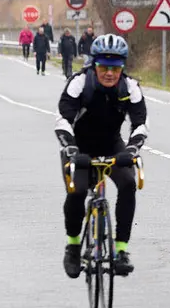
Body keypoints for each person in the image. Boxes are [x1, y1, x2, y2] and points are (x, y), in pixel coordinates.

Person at [56, 34, 148, 278]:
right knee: (77, 192)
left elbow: (139, 124)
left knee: (128, 183)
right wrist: (71, 149)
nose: (109, 73)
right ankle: (74, 246)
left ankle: (121, 251)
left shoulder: (130, 87)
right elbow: (63, 120)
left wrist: (131, 149)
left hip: (111, 145)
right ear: (94, 65)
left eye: (115, 68)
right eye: (104, 67)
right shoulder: (79, 83)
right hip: (79, 147)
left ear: (122, 68)